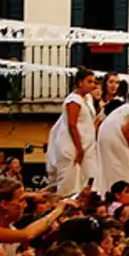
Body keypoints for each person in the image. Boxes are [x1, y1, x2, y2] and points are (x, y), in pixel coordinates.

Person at [46, 67, 99, 195]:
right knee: (70, 183)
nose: (93, 85)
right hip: (72, 147)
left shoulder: (88, 99)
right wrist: (79, 149)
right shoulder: (73, 101)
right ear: (80, 82)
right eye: (90, 81)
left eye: (94, 82)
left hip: (87, 146)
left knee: (84, 181)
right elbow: (72, 125)